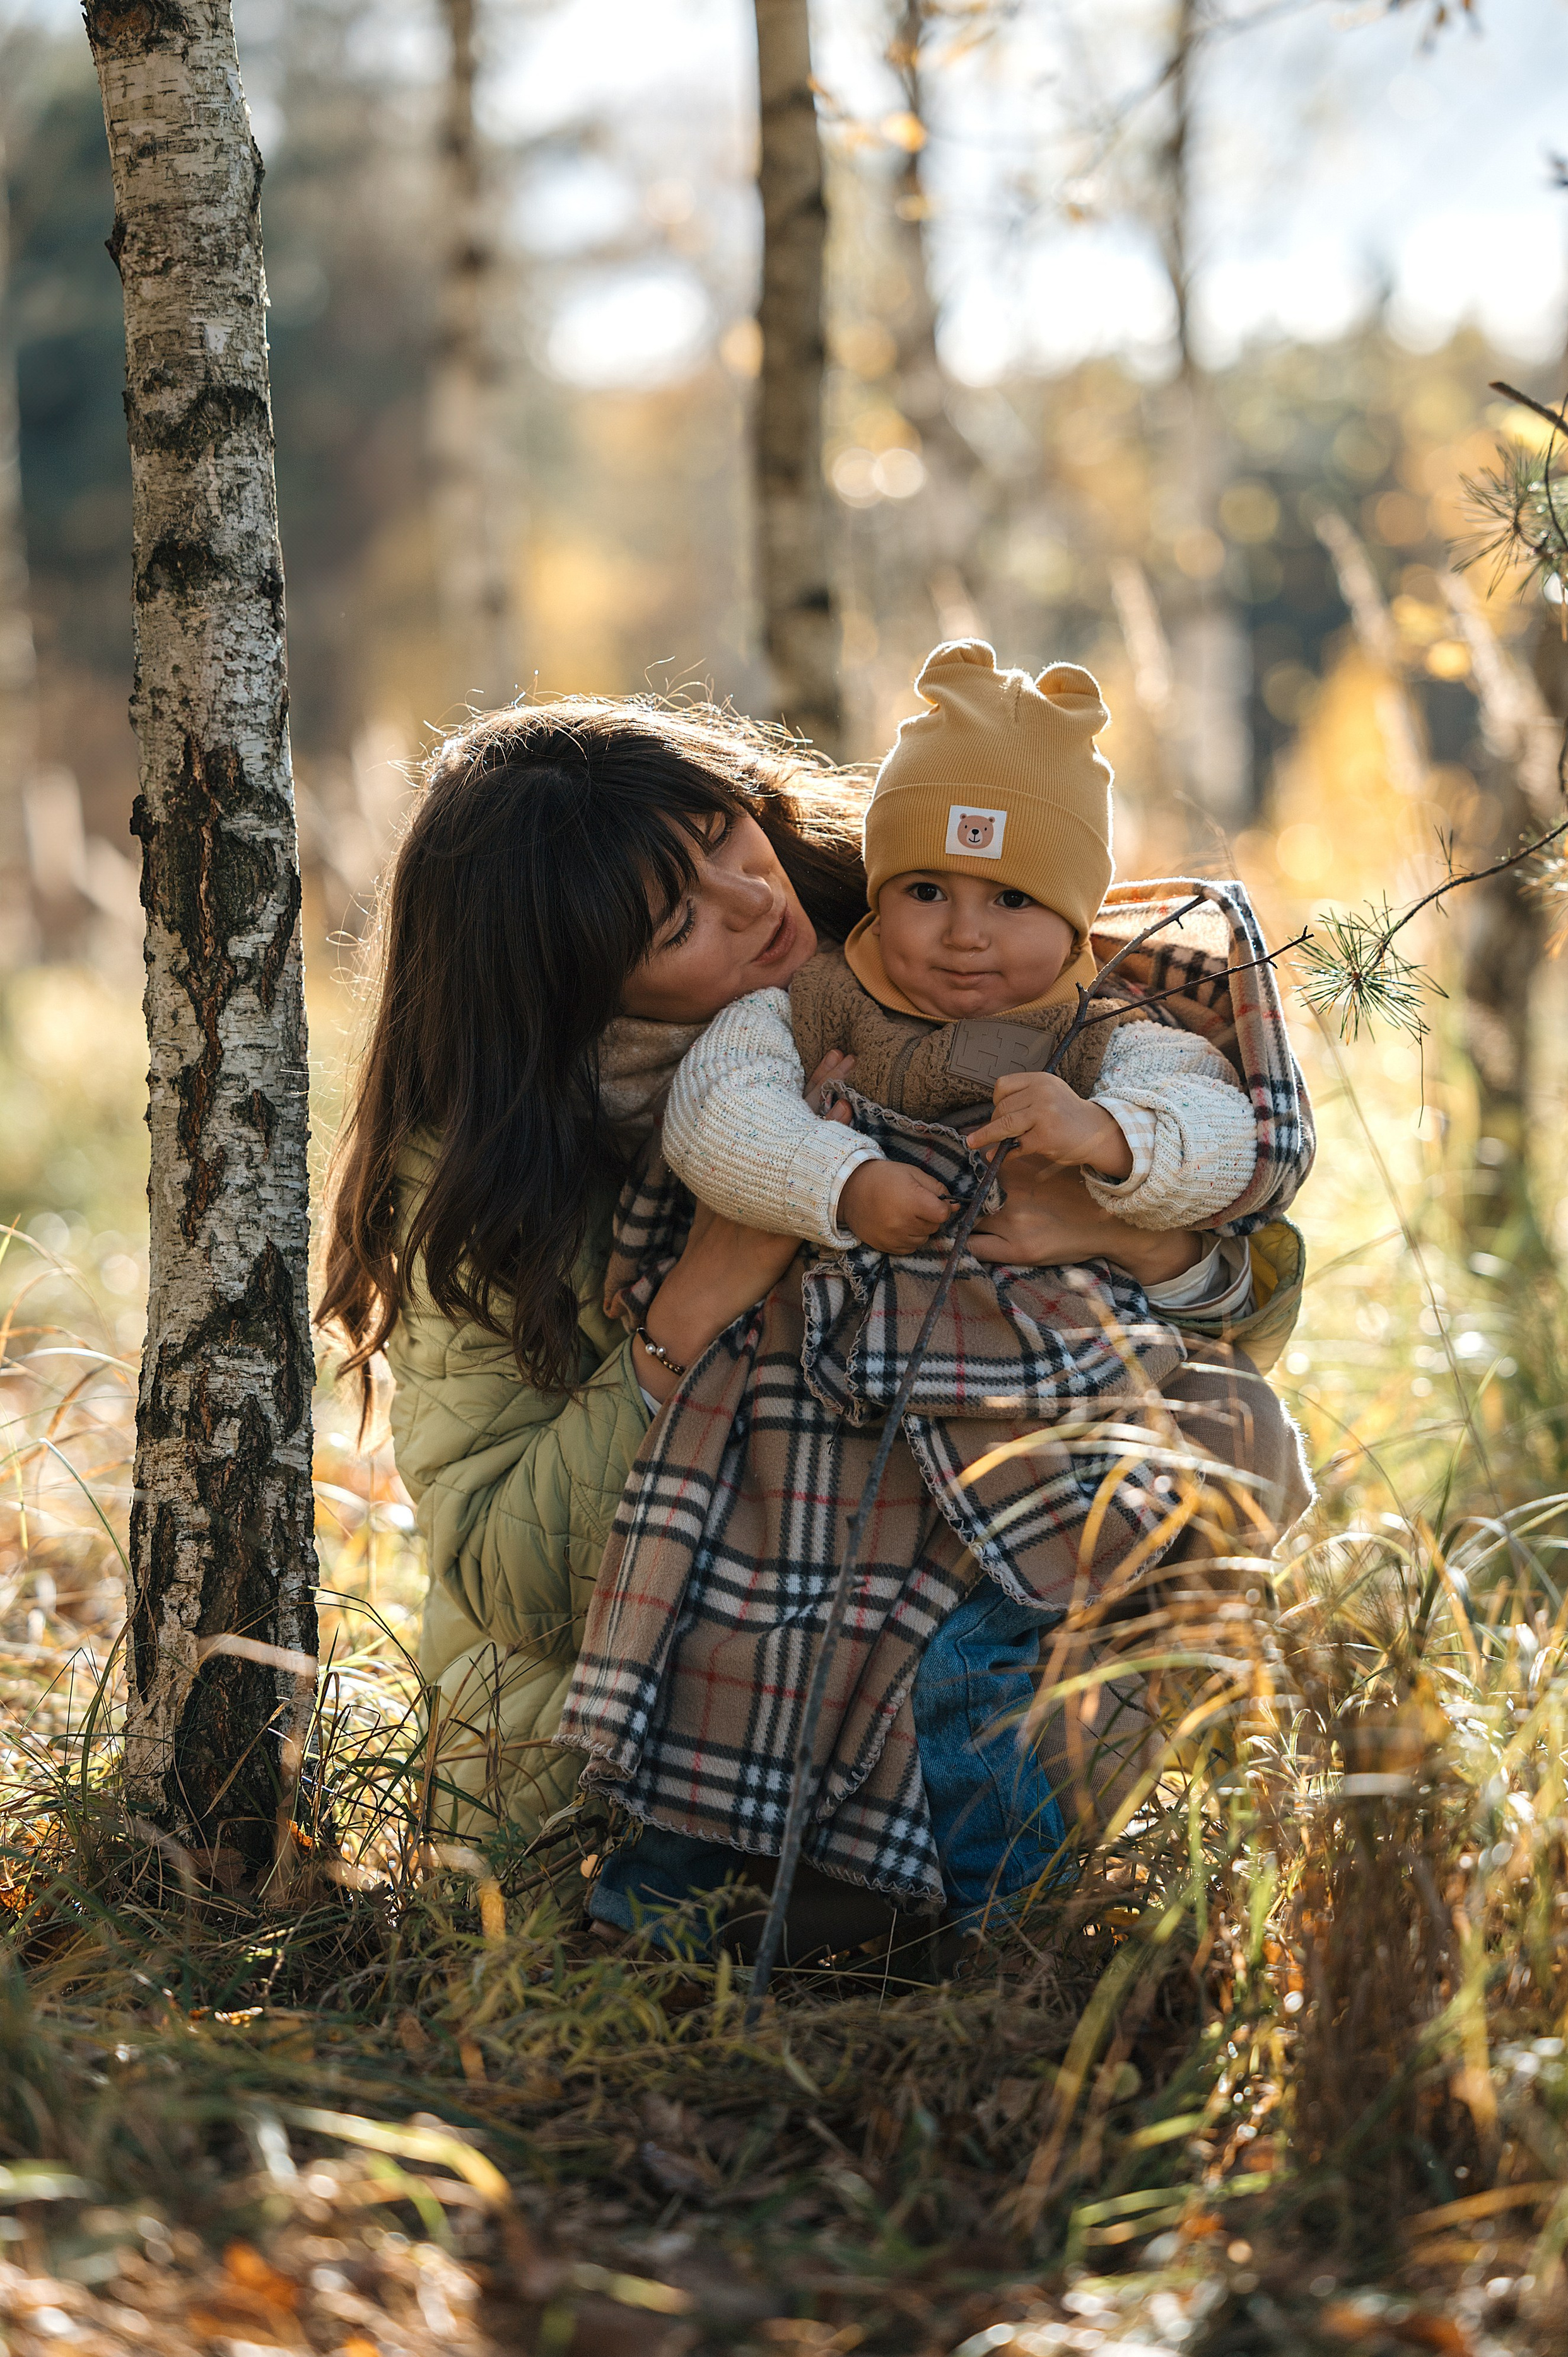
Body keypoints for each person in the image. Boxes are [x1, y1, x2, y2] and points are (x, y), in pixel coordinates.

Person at [317, 696, 1308, 1956]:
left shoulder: (937, 940)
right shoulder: (485, 1167)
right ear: (570, 988)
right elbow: (510, 1582)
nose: (752, 901)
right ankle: (763, 1905)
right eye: (678, 923)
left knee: (1228, 1447)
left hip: (932, 1607)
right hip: (615, 1739)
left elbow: (1249, 1303)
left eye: (728, 836)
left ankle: (981, 1880)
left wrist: (1126, 1232)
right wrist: (707, 1285)